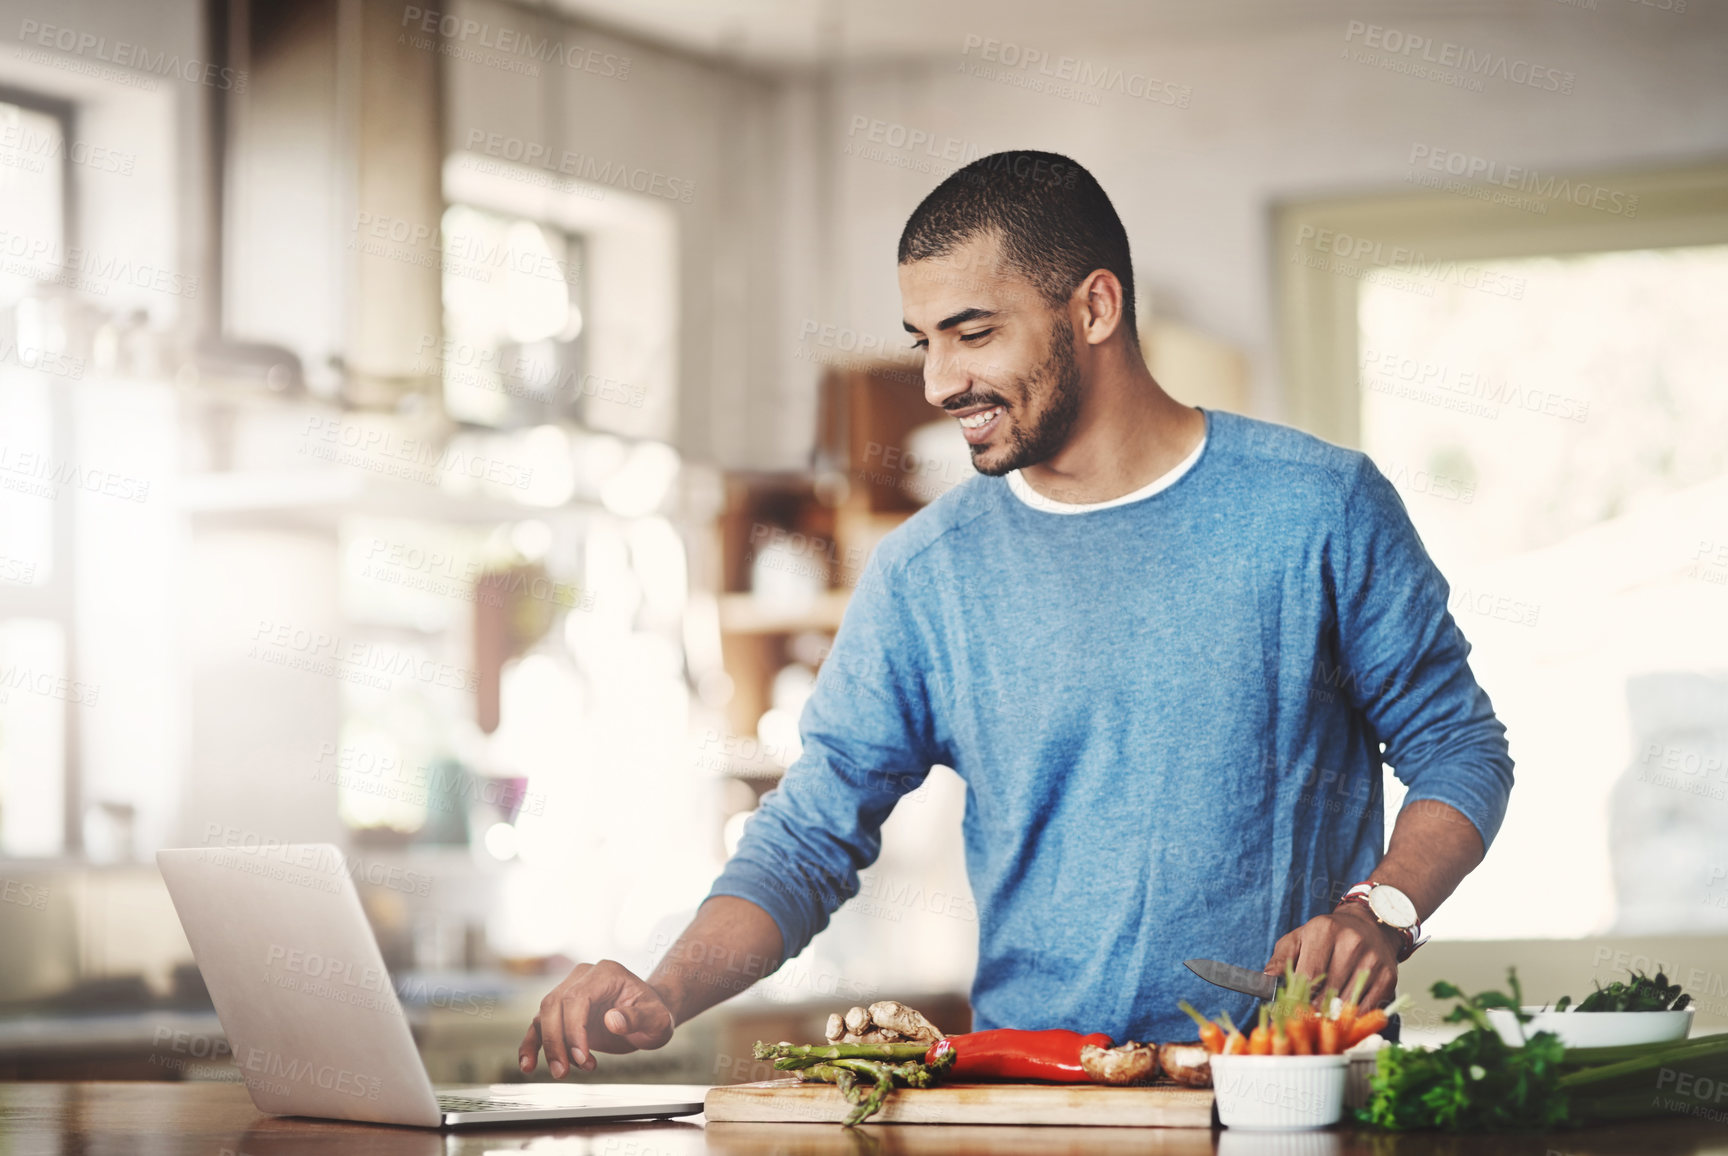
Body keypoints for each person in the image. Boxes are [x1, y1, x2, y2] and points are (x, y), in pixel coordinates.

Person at [519, 149, 1514, 1078]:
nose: (940, 381)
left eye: (974, 332)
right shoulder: (926, 575)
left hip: (1286, 1089)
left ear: (1094, 305)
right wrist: (663, 988)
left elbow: (1461, 748)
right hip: (1036, 1097)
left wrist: (1379, 909)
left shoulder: (1316, 508)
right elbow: (810, 833)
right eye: (924, 341)